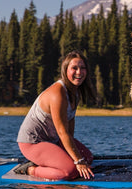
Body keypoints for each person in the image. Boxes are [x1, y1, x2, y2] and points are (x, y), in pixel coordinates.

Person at [16, 50, 96, 180]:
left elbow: (69, 129)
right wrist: (77, 162)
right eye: (74, 68)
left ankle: (49, 161)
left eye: (83, 68)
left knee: (87, 158)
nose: (79, 72)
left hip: (52, 141)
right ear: (65, 70)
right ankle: (30, 169)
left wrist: (76, 157)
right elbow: (62, 132)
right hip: (33, 143)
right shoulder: (57, 93)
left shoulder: (75, 92)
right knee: (70, 172)